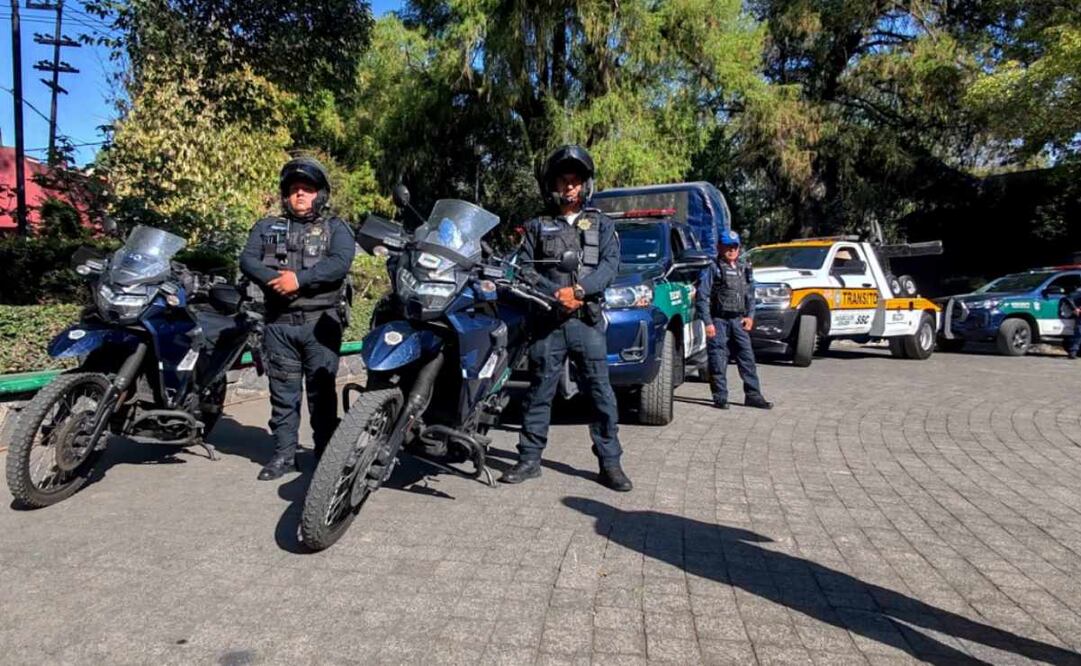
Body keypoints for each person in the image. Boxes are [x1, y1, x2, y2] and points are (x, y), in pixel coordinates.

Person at [499, 145, 632, 492]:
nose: (570, 187)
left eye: (576, 181)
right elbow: (523, 269)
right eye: (564, 181)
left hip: (586, 321)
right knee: (539, 392)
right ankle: (529, 459)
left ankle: (610, 462)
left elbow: (610, 266)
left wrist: (580, 291)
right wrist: (553, 293)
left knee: (601, 393)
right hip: (547, 321)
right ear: (554, 185)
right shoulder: (536, 226)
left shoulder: (602, 225)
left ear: (585, 185)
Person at [240, 156, 356, 480]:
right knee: (283, 397)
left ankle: (324, 457)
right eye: (294, 190)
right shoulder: (267, 227)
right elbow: (248, 259)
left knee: (322, 397)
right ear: (285, 195)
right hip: (279, 325)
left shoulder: (337, 228)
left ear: (320, 194)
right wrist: (274, 280)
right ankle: (284, 456)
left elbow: (340, 263)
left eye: (307, 189)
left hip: (321, 323)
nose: (300, 195)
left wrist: (298, 280)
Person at [695, 231, 774, 410]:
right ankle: (720, 397)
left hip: (739, 321)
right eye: (727, 247)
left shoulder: (744, 267)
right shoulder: (713, 268)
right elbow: (702, 296)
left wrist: (750, 316)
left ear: (739, 247)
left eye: (735, 247)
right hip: (719, 321)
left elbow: (750, 295)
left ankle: (753, 395)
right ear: (719, 247)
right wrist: (707, 322)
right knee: (718, 359)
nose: (731, 250)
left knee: (747, 358)